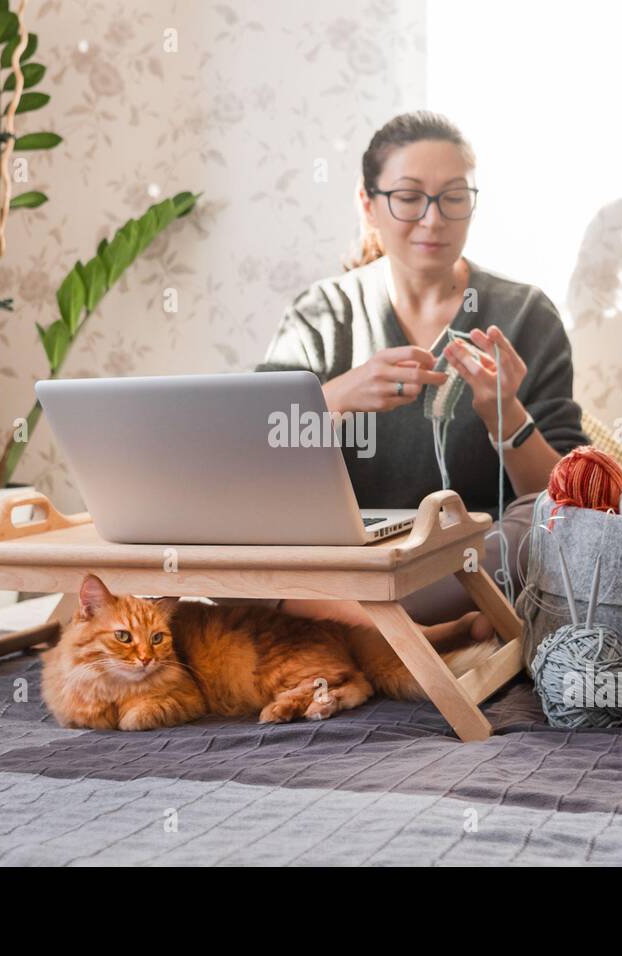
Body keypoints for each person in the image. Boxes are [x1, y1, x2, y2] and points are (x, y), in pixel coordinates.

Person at [234, 111, 589, 649]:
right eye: (408, 197)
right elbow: (248, 450)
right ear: (367, 203)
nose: (433, 220)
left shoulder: (525, 315)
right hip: (352, 558)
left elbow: (567, 494)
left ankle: (344, 624)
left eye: (453, 196)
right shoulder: (324, 313)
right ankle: (422, 633)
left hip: (469, 562)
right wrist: (339, 396)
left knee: (543, 529)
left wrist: (507, 416)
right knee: (217, 541)